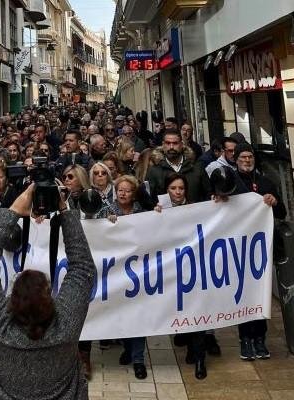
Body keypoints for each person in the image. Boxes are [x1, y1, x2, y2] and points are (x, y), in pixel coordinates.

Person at [0, 184, 96, 399]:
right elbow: (82, 267)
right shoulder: (66, 326)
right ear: (49, 300)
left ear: (12, 301)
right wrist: (63, 209)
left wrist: (15, 209)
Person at [231, 143, 286, 361]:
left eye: (250, 157)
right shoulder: (230, 183)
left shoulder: (266, 182)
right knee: (244, 294)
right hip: (238, 247)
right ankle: (245, 338)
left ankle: (260, 338)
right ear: (235, 159)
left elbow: (282, 211)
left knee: (259, 293)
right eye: (242, 157)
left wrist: (274, 202)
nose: (246, 160)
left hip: (261, 249)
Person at [154, 174, 208, 379]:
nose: (177, 192)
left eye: (181, 189)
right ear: (167, 190)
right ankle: (185, 339)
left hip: (194, 270)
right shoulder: (160, 210)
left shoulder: (197, 209)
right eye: (173, 188)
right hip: (172, 273)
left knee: (198, 311)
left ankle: (199, 356)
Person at [96, 175, 148, 379]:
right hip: (115, 274)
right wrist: (106, 224)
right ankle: (127, 348)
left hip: (138, 273)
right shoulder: (106, 211)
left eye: (127, 190)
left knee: (137, 316)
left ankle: (138, 360)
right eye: (120, 190)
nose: (123, 194)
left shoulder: (142, 213)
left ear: (134, 193)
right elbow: (95, 231)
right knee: (122, 315)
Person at [145, 130, 211, 203]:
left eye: (175, 143)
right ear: (163, 145)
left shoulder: (197, 168)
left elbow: (208, 195)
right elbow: (149, 200)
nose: (171, 147)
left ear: (181, 144)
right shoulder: (154, 171)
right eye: (168, 143)